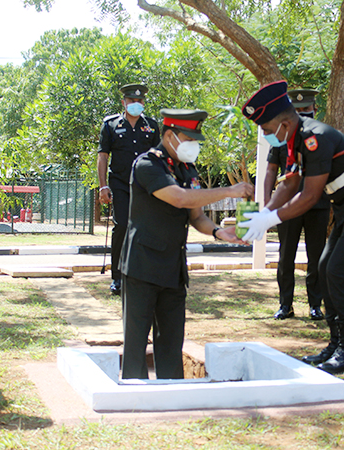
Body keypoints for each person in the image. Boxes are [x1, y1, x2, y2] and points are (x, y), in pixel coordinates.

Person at [239, 81, 344, 374]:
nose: (265, 135)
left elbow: (310, 196)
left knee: (339, 270)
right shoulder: (294, 138)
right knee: (325, 268)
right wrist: (263, 214)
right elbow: (291, 183)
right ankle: (336, 343)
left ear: (284, 124)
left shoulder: (315, 137)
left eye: (267, 130)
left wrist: (270, 220)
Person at [121, 109, 254, 379]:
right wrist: (229, 190)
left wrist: (218, 232)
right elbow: (180, 198)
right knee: (135, 343)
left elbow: (196, 215)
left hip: (173, 267)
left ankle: (172, 391)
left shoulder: (187, 169)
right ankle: (135, 397)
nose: (193, 145)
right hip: (142, 266)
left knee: (171, 341)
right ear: (169, 136)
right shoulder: (147, 164)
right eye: (188, 138)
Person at [263, 88, 330, 321]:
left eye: (307, 110)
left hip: (317, 203)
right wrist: (266, 204)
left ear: (315, 109)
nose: (303, 114)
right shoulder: (282, 136)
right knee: (286, 255)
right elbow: (271, 169)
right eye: (299, 111)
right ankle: (285, 304)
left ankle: (315, 304)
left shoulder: (321, 135)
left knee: (317, 256)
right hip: (288, 204)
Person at [98, 84, 160, 296]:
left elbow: (157, 156)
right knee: (123, 226)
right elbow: (103, 156)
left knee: (144, 229)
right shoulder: (110, 125)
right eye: (132, 101)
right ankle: (117, 276)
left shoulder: (151, 126)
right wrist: (103, 186)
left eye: (140, 101)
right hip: (120, 184)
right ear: (123, 102)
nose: (136, 104)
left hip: (144, 186)